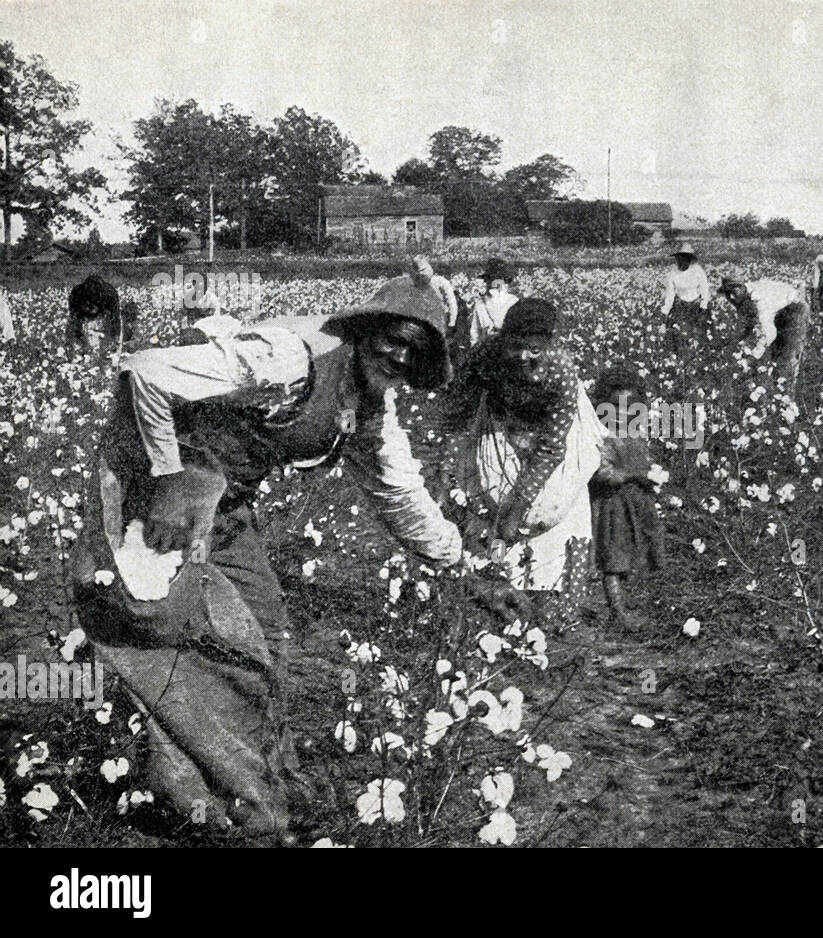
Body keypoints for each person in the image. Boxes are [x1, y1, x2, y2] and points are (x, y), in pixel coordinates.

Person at [69, 258, 523, 842]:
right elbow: (146, 373)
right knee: (161, 635)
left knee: (266, 635)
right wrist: (167, 478)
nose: (401, 357)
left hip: (223, 509)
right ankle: (183, 792)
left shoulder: (367, 410)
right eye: (393, 338)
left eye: (417, 351)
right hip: (149, 495)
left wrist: (460, 567)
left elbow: (401, 494)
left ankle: (260, 793)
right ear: (365, 329)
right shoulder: (287, 360)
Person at [417, 297, 604, 620]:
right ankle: (494, 585)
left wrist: (517, 507)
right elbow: (457, 412)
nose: (522, 356)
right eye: (515, 346)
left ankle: (561, 603)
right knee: (486, 501)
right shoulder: (485, 357)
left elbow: (551, 448)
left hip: (552, 434)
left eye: (534, 349)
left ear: (548, 345)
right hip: (499, 423)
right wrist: (443, 466)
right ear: (502, 340)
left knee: (561, 505)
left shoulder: (561, 370)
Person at [588, 366, 665, 631]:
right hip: (612, 506)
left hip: (636, 504)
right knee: (612, 560)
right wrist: (634, 475)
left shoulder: (636, 436)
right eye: (614, 406)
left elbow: (644, 463)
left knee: (634, 554)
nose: (621, 412)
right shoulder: (603, 438)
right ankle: (617, 612)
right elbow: (602, 473)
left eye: (629, 406)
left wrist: (652, 475)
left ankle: (626, 608)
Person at [718, 276, 811, 387]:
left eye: (733, 292)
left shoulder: (760, 301)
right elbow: (748, 324)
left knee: (787, 354)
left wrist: (753, 356)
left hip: (795, 309)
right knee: (774, 355)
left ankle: (786, 392)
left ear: (742, 287)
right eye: (727, 294)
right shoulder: (744, 296)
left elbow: (768, 333)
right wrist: (736, 340)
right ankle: (774, 384)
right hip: (779, 311)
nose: (731, 297)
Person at [67, 274, 138, 354]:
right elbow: (73, 320)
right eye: (89, 307)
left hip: (106, 312)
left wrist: (115, 339)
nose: (92, 310)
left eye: (93, 308)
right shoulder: (76, 294)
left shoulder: (110, 295)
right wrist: (77, 339)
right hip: (83, 310)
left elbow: (115, 320)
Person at [661, 243, 710, 353]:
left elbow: (705, 290)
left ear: (689, 258)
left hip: (696, 306)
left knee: (699, 334)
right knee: (678, 334)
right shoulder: (672, 274)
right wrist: (665, 312)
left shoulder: (697, 271)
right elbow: (670, 295)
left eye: (684, 257)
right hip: (680, 306)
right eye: (679, 257)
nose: (681, 260)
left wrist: (703, 307)